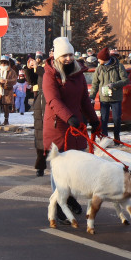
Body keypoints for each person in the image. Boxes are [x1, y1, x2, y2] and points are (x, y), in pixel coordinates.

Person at [44, 37, 101, 213]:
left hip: (75, 128)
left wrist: (94, 119)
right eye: (64, 56)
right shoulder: (50, 74)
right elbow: (53, 100)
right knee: (60, 170)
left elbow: (84, 99)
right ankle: (58, 205)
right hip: (58, 127)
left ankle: (69, 198)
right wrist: (69, 117)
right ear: (57, 57)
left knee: (74, 169)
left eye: (70, 55)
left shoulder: (78, 74)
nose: (68, 58)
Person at [90, 47, 128, 143]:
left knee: (116, 118)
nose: (98, 60)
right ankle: (105, 138)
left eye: (99, 59)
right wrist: (92, 97)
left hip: (116, 98)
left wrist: (114, 85)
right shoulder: (99, 69)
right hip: (104, 98)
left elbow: (125, 80)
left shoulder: (118, 66)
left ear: (105, 59)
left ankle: (116, 137)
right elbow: (95, 84)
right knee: (103, 119)